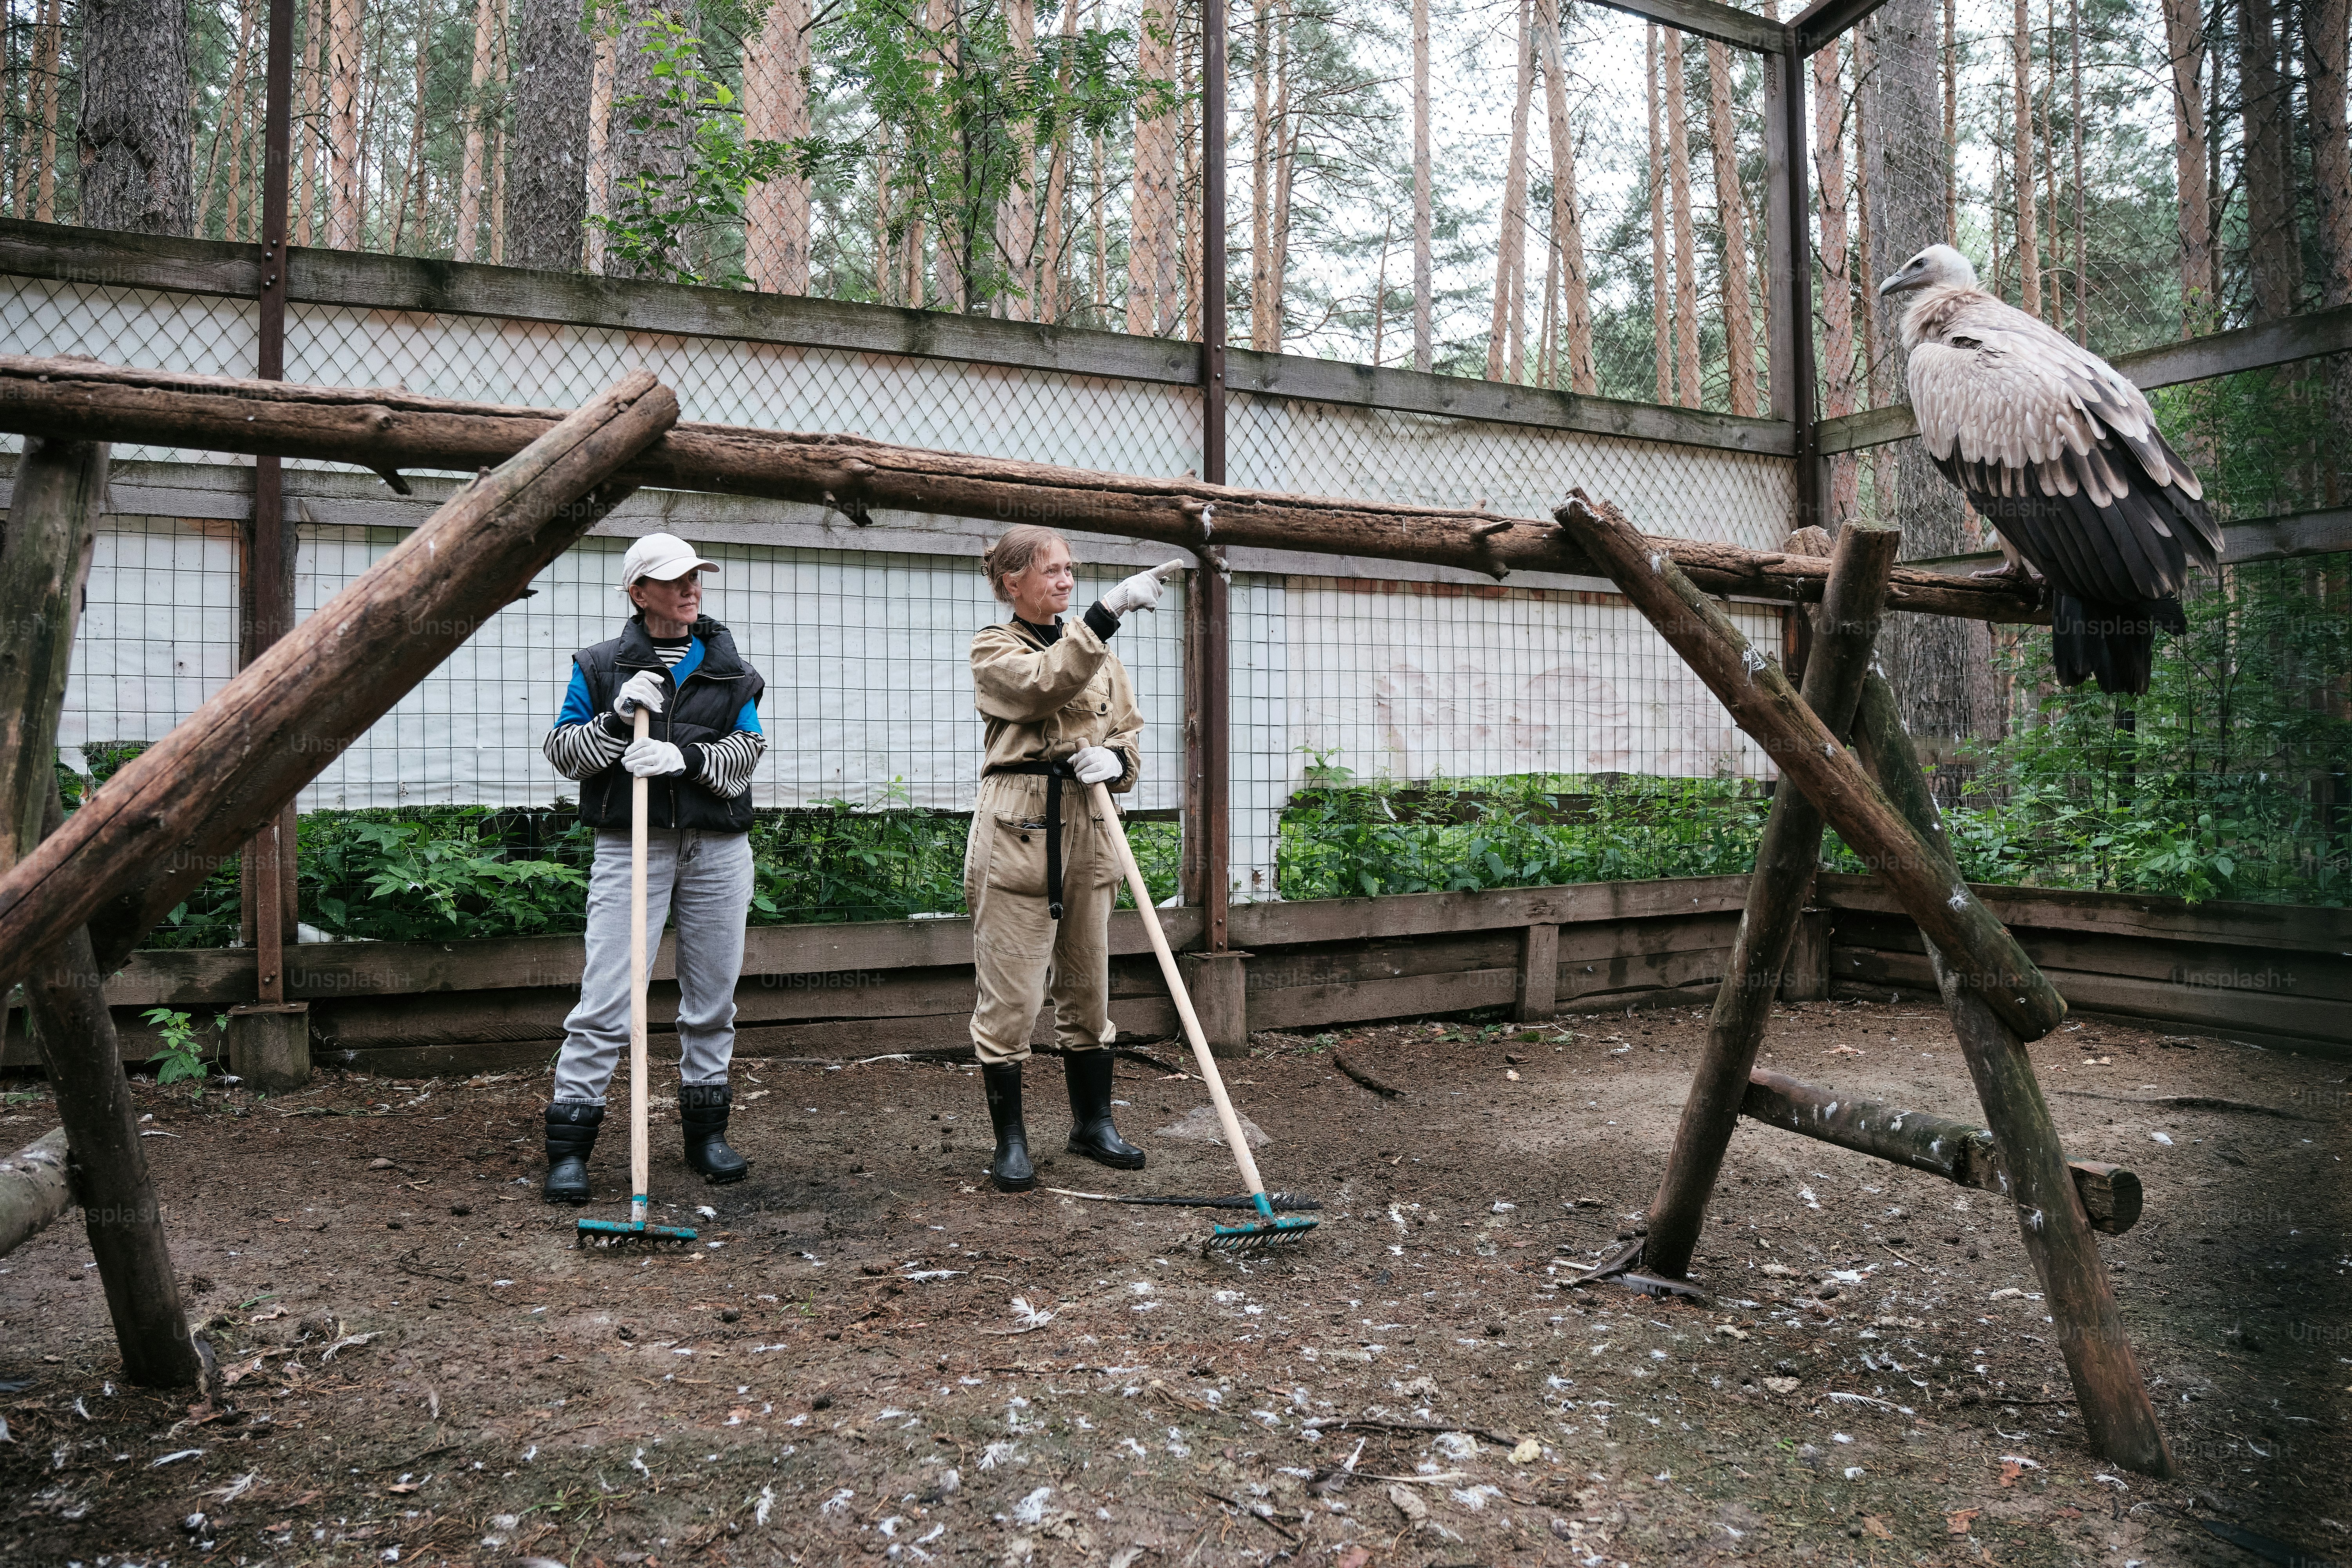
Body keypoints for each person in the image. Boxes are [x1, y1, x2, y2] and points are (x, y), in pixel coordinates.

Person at [537, 532, 768, 1203]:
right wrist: (614, 722)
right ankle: (571, 1144)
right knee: (607, 997)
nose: (691, 589)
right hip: (630, 846)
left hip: (718, 848)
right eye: (673, 581)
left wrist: (686, 761)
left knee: (712, 997)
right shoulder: (601, 665)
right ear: (638, 593)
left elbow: (746, 755)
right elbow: (565, 754)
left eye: (696, 577)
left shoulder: (730, 669)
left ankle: (705, 1133)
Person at [967, 525, 1187, 1191]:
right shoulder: (992, 648)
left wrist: (1116, 759)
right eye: (1052, 571)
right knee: (1011, 999)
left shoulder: (1102, 659)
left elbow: (1129, 733)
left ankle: (1094, 1124)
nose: (1066, 581)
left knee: (1089, 990)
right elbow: (1040, 686)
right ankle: (1011, 1141)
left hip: (1091, 823)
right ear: (1013, 582)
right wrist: (1106, 613)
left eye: (1071, 570)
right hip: (1017, 824)